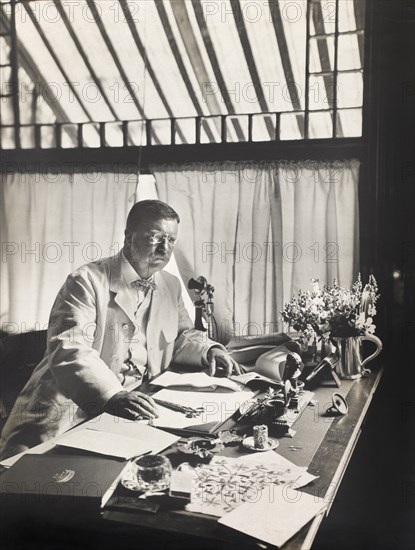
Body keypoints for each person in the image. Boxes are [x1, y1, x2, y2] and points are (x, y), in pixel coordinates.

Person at [0, 200, 241, 460]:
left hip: (133, 408)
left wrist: (209, 350)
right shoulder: (86, 281)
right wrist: (112, 395)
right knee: (39, 481)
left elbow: (181, 334)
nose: (164, 247)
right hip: (67, 408)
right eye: (154, 237)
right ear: (128, 237)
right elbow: (69, 349)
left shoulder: (169, 285)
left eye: (171, 239)